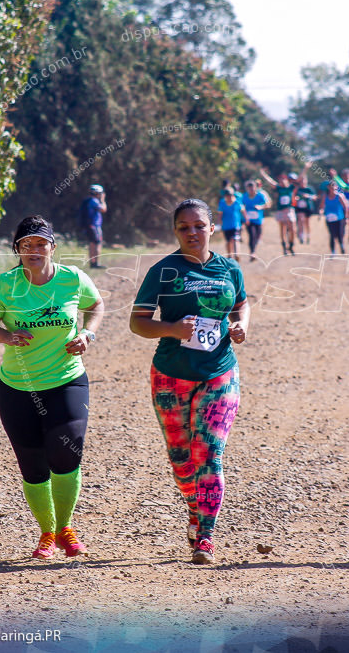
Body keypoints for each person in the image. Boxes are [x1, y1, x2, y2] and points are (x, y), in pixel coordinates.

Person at [0, 215, 104, 559]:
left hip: (67, 380)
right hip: (18, 387)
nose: (34, 250)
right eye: (26, 244)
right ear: (17, 250)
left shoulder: (73, 279)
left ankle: (66, 528)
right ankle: (47, 532)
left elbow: (96, 306)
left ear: (53, 247)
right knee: (32, 465)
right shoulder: (6, 284)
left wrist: (87, 334)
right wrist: (6, 336)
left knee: (67, 450)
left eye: (41, 243)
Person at [129, 199, 249, 565]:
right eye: (184, 227)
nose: (192, 232)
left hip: (219, 372)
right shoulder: (163, 270)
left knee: (208, 454)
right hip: (170, 376)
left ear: (212, 228)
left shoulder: (230, 268)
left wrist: (243, 324)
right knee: (181, 461)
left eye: (199, 225)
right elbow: (138, 322)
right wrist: (171, 329)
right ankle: (195, 511)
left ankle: (206, 537)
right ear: (176, 232)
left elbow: (242, 303)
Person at [78, 185, 107, 269]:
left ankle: (92, 263)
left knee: (92, 244)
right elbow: (103, 209)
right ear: (98, 193)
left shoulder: (87, 200)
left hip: (89, 226)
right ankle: (96, 263)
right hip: (94, 226)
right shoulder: (94, 201)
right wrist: (103, 200)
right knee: (97, 244)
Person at [218, 180, 247, 261]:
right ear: (225, 196)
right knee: (228, 241)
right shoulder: (222, 203)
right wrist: (219, 223)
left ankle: (237, 254)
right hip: (226, 225)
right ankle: (230, 255)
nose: (229, 197)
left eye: (230, 195)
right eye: (227, 196)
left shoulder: (237, 202)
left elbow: (243, 210)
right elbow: (220, 214)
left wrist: (246, 219)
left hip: (236, 224)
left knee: (236, 239)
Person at [241, 180, 268, 261]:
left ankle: (253, 251)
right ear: (247, 189)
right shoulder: (244, 196)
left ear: (255, 188)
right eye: (249, 189)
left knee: (257, 236)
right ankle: (252, 252)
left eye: (252, 188)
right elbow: (242, 207)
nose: (251, 190)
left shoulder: (260, 196)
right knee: (252, 235)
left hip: (258, 220)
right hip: (249, 220)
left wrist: (261, 207)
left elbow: (268, 204)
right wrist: (245, 217)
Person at [321, 180, 349, 255]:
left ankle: (341, 245)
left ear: (336, 187)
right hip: (329, 219)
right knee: (332, 235)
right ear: (328, 187)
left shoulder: (339, 196)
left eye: (333, 186)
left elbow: (346, 206)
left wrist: (347, 218)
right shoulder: (325, 196)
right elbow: (322, 206)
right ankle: (333, 251)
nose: (332, 188)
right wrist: (321, 212)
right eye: (331, 186)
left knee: (340, 234)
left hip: (339, 218)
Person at [294, 174, 317, 245]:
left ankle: (308, 236)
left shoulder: (309, 189)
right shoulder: (297, 189)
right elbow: (293, 196)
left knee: (307, 223)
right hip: (300, 208)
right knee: (301, 220)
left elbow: (315, 197)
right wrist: (296, 199)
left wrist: (308, 196)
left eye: (304, 181)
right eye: (301, 181)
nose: (303, 182)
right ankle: (301, 236)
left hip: (308, 208)